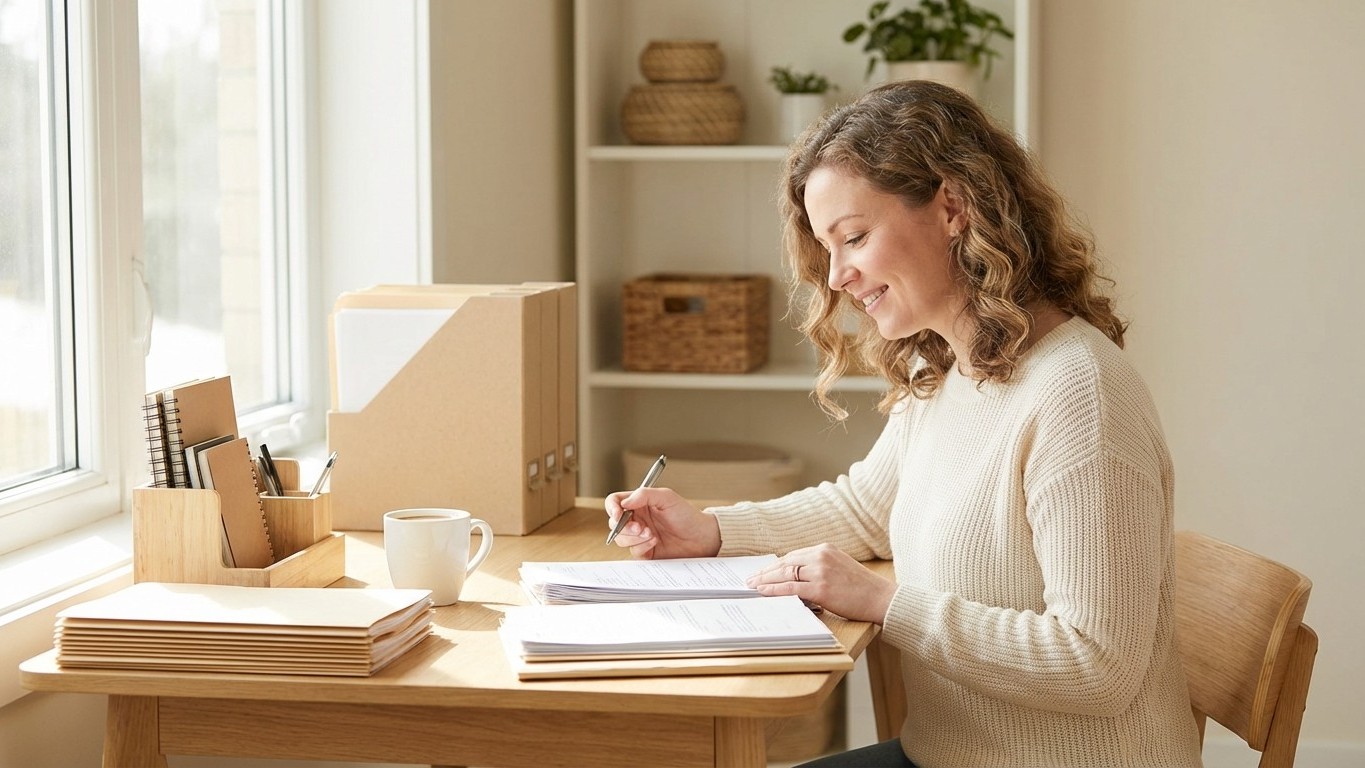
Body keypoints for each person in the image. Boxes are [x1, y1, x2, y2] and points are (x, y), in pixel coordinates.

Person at [605, 80, 1203, 768]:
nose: (836, 277)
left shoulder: (1079, 397)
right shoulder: (955, 365)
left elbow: (1097, 666)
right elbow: (864, 508)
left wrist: (884, 602)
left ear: (953, 206)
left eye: (853, 237)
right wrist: (712, 531)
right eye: (828, 248)